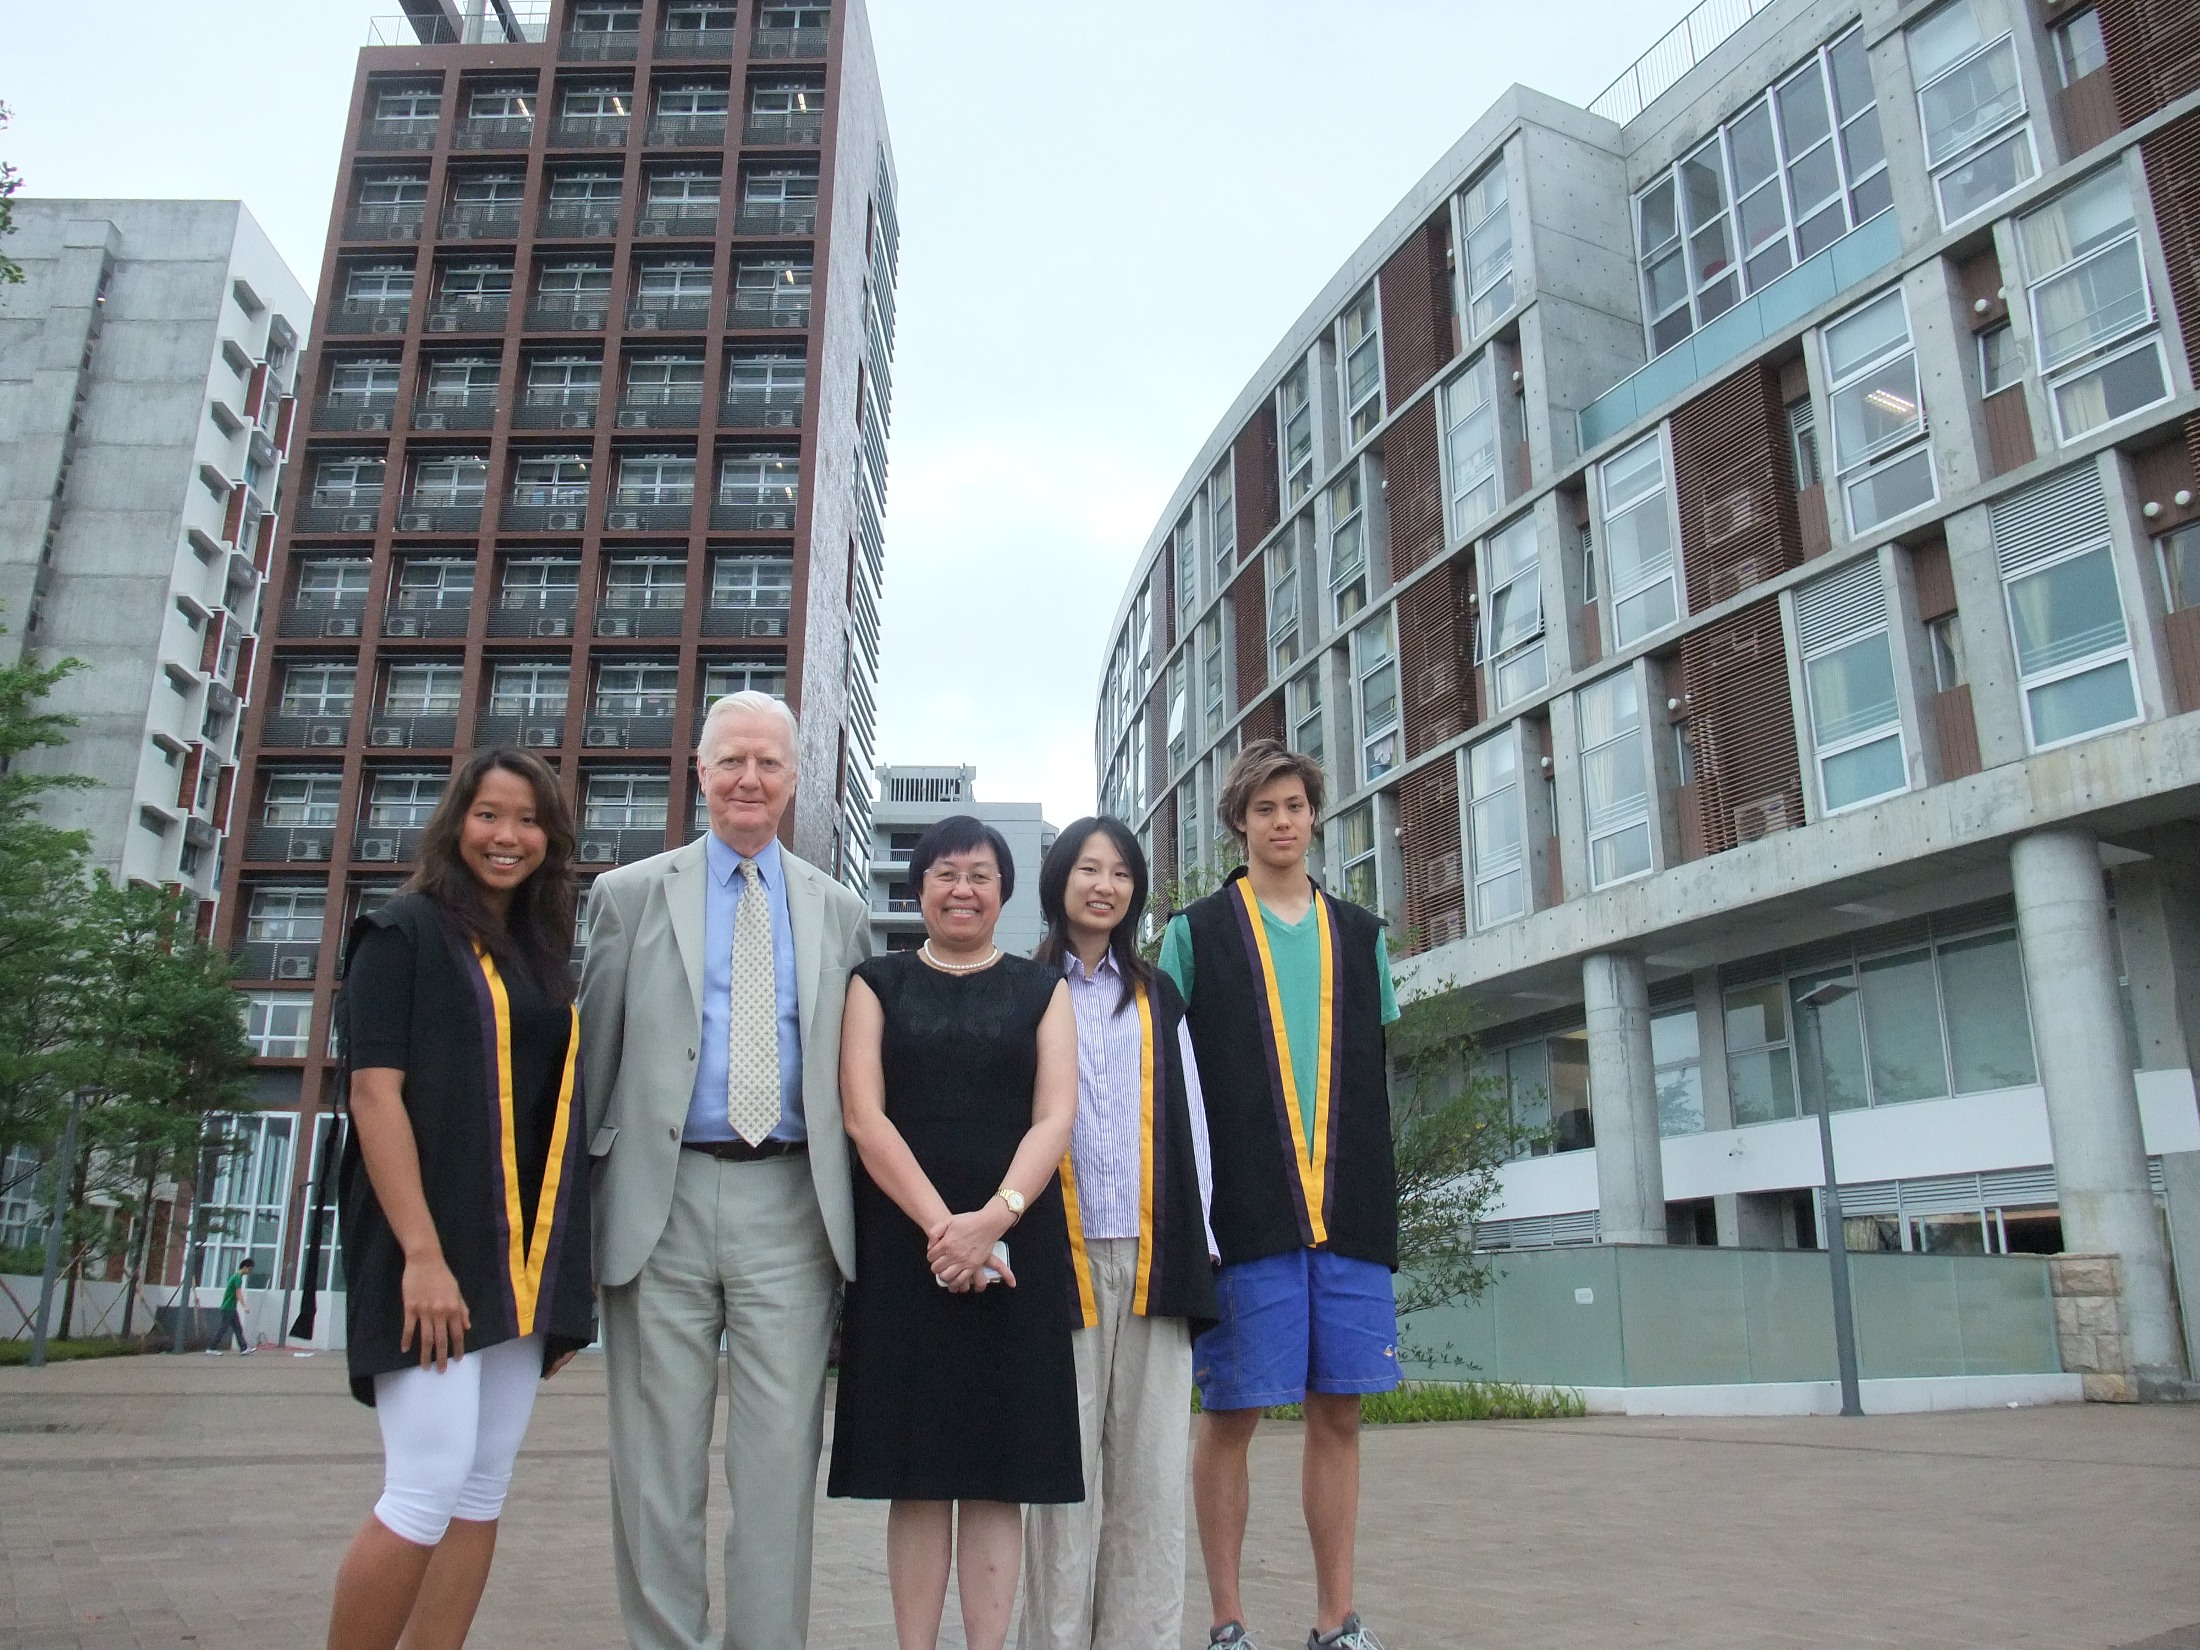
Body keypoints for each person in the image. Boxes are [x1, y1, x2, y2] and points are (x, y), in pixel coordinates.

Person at [577, 689, 872, 1650]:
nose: (750, 779)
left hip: (790, 1204)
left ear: (794, 781)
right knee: (656, 1466)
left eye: (770, 764)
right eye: (731, 760)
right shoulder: (627, 896)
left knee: (780, 1460)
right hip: (655, 1205)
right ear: (698, 770)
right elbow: (596, 1066)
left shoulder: (840, 912)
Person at [324, 747, 594, 1650]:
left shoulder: (540, 957)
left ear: (550, 839)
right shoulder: (402, 933)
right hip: (428, 1252)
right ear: (456, 824)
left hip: (517, 1258)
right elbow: (374, 1095)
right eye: (489, 815)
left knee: (482, 1490)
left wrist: (551, 1290)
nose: (507, 837)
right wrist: (424, 1259)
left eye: (527, 821)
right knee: (424, 1488)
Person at [1158, 741, 1402, 1650]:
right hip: (1244, 1221)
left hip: (1350, 1215)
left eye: (1297, 805)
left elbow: (1378, 1073)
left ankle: (1336, 1620)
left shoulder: (1365, 936)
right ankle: (1227, 1621)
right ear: (1240, 822)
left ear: (1314, 816)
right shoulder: (1195, 934)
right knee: (1232, 1416)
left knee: (1340, 1413)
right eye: (1266, 809)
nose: (1284, 822)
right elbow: (1167, 1076)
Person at [827, 814, 1082, 1650]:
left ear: (1004, 892)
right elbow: (864, 1117)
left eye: (979, 874)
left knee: (998, 1472)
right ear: (919, 889)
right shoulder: (876, 983)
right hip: (907, 1250)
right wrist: (948, 1231)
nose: (962, 888)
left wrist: (995, 1219)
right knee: (918, 1472)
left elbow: (1056, 1117)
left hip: (1018, 1250)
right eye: (945, 873)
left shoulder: (1042, 991)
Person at [1020, 818, 1219, 1650]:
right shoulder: (1022, 987)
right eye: (1089, 868)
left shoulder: (1157, 996)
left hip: (1151, 1258)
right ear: (1061, 879)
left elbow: (1194, 1123)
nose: (1105, 884)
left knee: (1150, 1480)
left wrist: (1203, 1233)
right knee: (1062, 1484)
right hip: (1053, 1257)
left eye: (1122, 873)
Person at [205, 1257, 254, 1354]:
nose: (249, 1272)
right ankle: (211, 1348)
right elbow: (238, 1293)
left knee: (237, 1328)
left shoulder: (235, 1277)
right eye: (249, 1269)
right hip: (228, 1307)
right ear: (244, 1267)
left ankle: (243, 1348)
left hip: (230, 1307)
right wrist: (245, 1306)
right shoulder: (237, 1278)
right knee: (223, 1328)